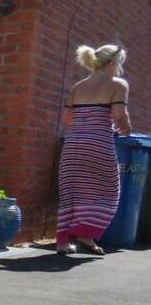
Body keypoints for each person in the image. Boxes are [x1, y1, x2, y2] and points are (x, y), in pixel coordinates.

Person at [56, 44, 131, 255]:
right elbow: (118, 115)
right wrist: (125, 127)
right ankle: (83, 232)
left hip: (72, 146)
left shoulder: (77, 87)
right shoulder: (117, 84)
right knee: (108, 192)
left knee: (71, 192)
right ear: (113, 63)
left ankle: (65, 243)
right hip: (98, 144)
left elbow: (66, 119)